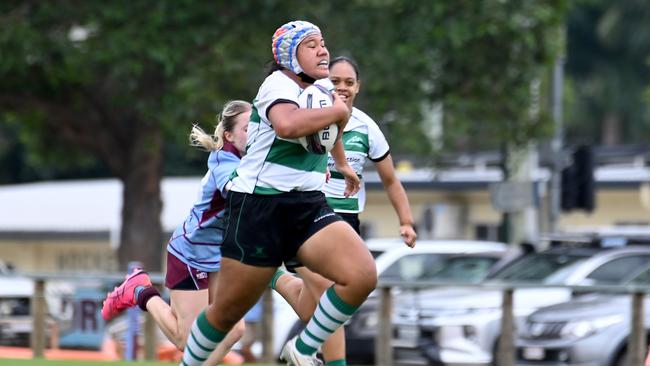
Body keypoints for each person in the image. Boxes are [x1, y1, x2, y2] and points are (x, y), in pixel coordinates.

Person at [180, 20, 376, 366]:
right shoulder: (277, 83)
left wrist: (341, 163)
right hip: (260, 207)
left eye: (323, 43)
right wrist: (338, 110)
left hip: (307, 204)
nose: (323, 50)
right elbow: (288, 124)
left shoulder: (323, 91)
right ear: (290, 55)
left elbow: (330, 132)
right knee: (226, 313)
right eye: (311, 45)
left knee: (361, 275)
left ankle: (301, 350)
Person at [270, 56, 417, 366]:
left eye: (349, 83)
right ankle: (314, 353)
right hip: (308, 218)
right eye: (335, 81)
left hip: (346, 222)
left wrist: (405, 221)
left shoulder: (367, 127)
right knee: (327, 297)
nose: (342, 88)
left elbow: (390, 180)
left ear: (358, 87)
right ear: (323, 83)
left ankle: (273, 276)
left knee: (321, 307)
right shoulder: (301, 117)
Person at [101, 100, 252, 365]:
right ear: (229, 135)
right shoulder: (224, 162)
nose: (256, 134)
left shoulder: (250, 161)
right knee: (185, 339)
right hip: (190, 254)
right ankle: (140, 291)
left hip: (217, 256)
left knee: (235, 329)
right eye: (248, 129)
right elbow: (242, 192)